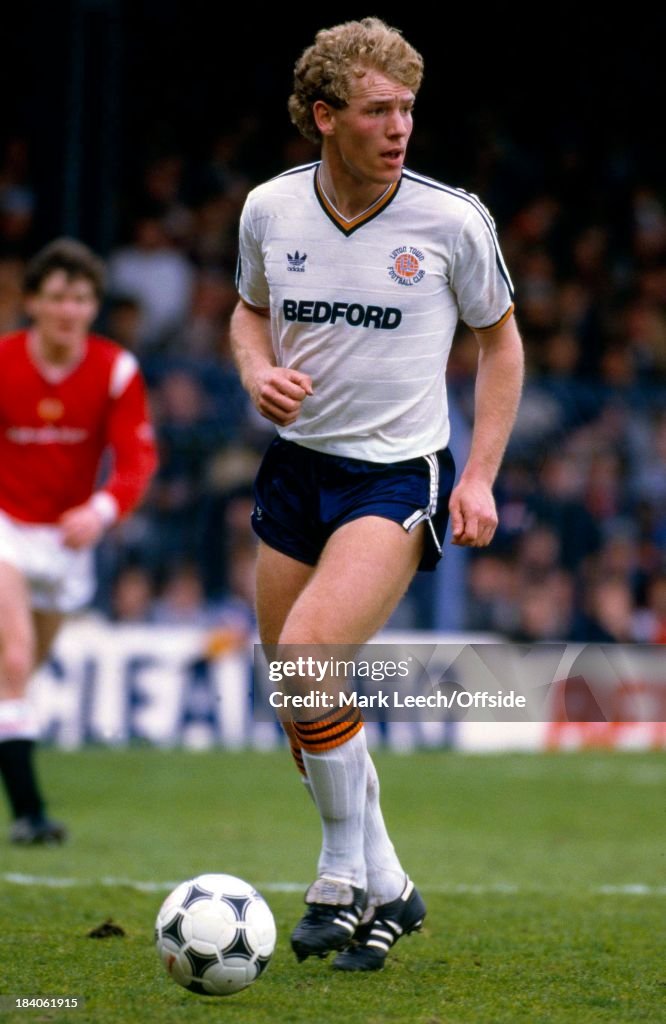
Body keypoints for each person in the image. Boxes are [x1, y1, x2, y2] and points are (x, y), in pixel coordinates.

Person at [230, 17, 524, 971]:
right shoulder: (271, 209)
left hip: (398, 470)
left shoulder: (450, 219)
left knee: (313, 654)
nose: (399, 127)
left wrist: (478, 474)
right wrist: (252, 371)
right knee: (298, 696)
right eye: (376, 110)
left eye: (407, 108)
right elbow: (247, 310)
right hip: (297, 466)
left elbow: (502, 341)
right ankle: (393, 887)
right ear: (324, 117)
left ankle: (338, 877)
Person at [0, 238, 158, 844]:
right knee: (14, 660)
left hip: (68, 542)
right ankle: (30, 816)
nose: (70, 309)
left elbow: (137, 459)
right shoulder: (6, 360)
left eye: (83, 298)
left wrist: (100, 509)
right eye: (59, 296)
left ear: (94, 308)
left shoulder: (115, 369)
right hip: (7, 528)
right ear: (34, 302)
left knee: (19, 673)